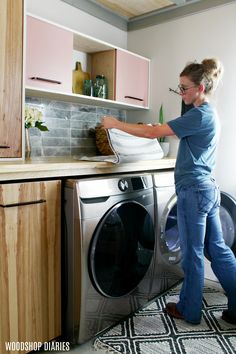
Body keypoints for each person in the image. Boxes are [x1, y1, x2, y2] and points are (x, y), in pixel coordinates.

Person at [101, 58, 236, 325]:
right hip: (207, 189)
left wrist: (115, 124)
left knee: (194, 254)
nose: (181, 93)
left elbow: (155, 134)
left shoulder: (198, 115)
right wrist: (152, 128)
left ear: (200, 88)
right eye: (179, 88)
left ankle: (189, 310)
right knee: (218, 249)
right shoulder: (208, 113)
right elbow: (163, 130)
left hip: (194, 191)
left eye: (184, 88)